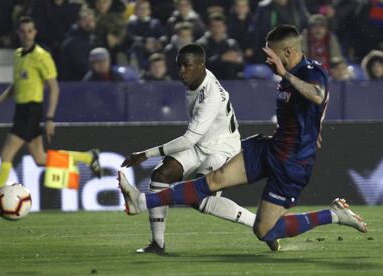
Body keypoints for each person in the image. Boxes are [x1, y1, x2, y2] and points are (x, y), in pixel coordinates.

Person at [119, 25, 367, 251]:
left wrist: (285, 74)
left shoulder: (311, 72)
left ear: (289, 52)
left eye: (272, 55)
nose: (267, 60)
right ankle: (142, 202)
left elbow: (317, 95)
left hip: (293, 163)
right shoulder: (288, 73)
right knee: (214, 179)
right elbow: (311, 110)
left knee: (265, 230)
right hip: (270, 147)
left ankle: (333, 215)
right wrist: (315, 128)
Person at [121, 44, 263, 254]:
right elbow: (193, 140)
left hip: (221, 149)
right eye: (179, 66)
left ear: (201, 66)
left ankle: (261, 225)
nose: (182, 71)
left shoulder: (210, 96)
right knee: (161, 174)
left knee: (198, 198)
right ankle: (157, 244)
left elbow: (188, 140)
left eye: (187, 66)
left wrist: (145, 154)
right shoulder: (198, 79)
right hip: (202, 144)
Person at [0, 17, 101, 211]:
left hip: (32, 110)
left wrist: (49, 118)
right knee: (40, 159)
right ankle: (88, 157)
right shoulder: (18, 55)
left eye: (30, 31)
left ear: (35, 32)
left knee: (6, 154)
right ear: (18, 33)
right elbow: (17, 83)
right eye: (23, 31)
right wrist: (0, 99)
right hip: (21, 110)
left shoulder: (42, 56)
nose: (26, 35)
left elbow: (54, 88)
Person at [196, 13, 244, 80]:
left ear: (225, 27)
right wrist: (222, 58)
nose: (216, 29)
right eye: (213, 26)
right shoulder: (201, 44)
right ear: (209, 27)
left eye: (219, 26)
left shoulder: (231, 44)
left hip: (229, 82)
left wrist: (237, 60)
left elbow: (242, 64)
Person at [60, 7, 96, 80]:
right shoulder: (74, 41)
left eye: (91, 20)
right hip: (74, 84)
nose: (88, 23)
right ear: (78, 22)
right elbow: (81, 67)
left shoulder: (92, 38)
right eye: (85, 20)